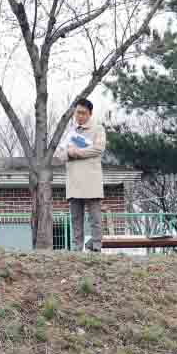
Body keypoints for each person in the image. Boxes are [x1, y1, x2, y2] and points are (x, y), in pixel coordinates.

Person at [53, 98, 106, 253]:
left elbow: (98, 149)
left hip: (91, 180)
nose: (79, 116)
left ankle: (96, 246)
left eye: (83, 113)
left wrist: (77, 152)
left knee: (95, 217)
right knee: (76, 218)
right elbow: (61, 155)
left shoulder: (98, 129)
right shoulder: (71, 132)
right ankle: (77, 247)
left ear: (90, 113)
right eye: (77, 113)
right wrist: (69, 153)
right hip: (74, 180)